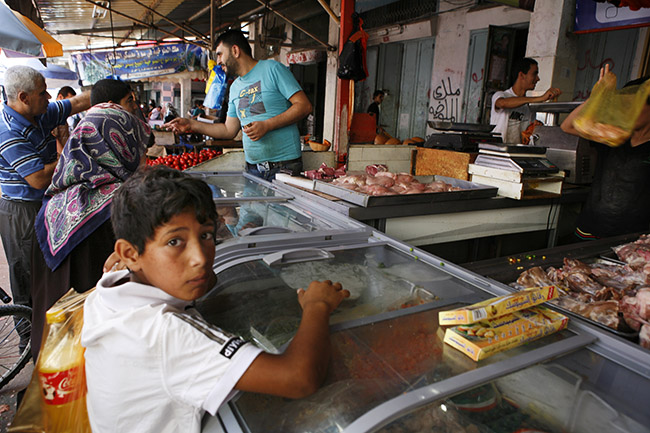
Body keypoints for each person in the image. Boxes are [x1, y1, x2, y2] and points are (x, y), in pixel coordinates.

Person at [81, 166, 349, 432]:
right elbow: (298, 378)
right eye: (174, 242)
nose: (200, 258)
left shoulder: (110, 287)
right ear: (130, 254)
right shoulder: (165, 334)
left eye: (206, 236)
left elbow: (206, 281)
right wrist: (318, 305)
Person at [31, 102, 150, 360]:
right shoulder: (124, 205)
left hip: (50, 347)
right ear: (119, 147)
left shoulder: (51, 205)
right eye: (137, 146)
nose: (143, 156)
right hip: (96, 351)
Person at [165, 29, 312, 180]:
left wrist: (267, 125)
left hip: (284, 167)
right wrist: (191, 124)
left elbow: (304, 106)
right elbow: (228, 130)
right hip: (253, 169)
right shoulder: (235, 87)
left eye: (220, 54)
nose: (218, 61)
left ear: (235, 50)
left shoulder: (272, 69)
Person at [0, 66, 90, 309]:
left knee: (51, 269)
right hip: (22, 211)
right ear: (23, 97)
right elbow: (38, 178)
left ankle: (51, 321)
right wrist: (68, 151)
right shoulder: (7, 131)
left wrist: (110, 92)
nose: (49, 97)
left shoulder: (42, 112)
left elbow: (78, 102)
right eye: (43, 93)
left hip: (45, 202)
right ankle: (27, 329)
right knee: (28, 276)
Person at [560, 65, 650, 240]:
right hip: (590, 228)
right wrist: (596, 98)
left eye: (633, 105)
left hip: (631, 240)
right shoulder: (612, 136)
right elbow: (567, 126)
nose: (627, 112)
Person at [490, 58, 562, 144]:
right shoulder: (501, 95)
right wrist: (541, 98)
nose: (538, 79)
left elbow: (527, 134)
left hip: (516, 150)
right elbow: (502, 103)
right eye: (534, 74)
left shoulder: (528, 107)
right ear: (521, 75)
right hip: (497, 149)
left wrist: (535, 128)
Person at [52, 86, 77, 153]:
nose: (71, 104)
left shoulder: (63, 116)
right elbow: (54, 140)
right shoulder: (54, 115)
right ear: (60, 97)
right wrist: (64, 155)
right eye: (70, 101)